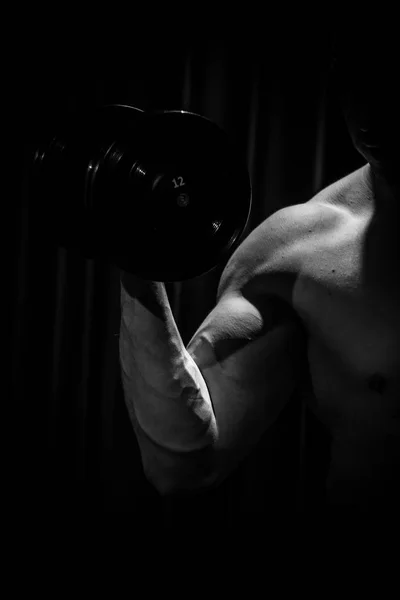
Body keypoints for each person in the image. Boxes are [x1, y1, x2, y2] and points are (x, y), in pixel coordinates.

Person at [118, 28, 400, 512]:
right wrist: (136, 256)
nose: (365, 104)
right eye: (351, 73)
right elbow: (182, 465)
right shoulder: (300, 253)